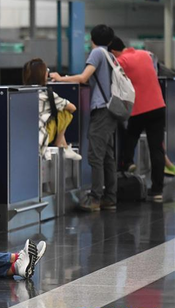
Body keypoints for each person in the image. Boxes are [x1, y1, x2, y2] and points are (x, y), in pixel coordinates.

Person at [50, 24, 118, 212]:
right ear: (110, 41)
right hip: (111, 110)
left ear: (92, 39)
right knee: (107, 155)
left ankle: (95, 198)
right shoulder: (111, 55)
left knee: (96, 155)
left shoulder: (97, 53)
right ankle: (110, 197)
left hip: (102, 109)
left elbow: (83, 78)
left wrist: (60, 78)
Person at [108, 36, 166, 203]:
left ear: (113, 52)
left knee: (130, 136)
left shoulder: (121, 61)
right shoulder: (144, 55)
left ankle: (128, 162)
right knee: (157, 149)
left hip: (139, 109)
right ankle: (157, 191)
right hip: (158, 106)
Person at [22, 58, 81, 161]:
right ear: (43, 75)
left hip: (23, 136)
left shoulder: (21, 93)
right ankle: (62, 146)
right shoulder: (47, 95)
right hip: (42, 138)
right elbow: (72, 108)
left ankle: (64, 146)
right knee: (64, 113)